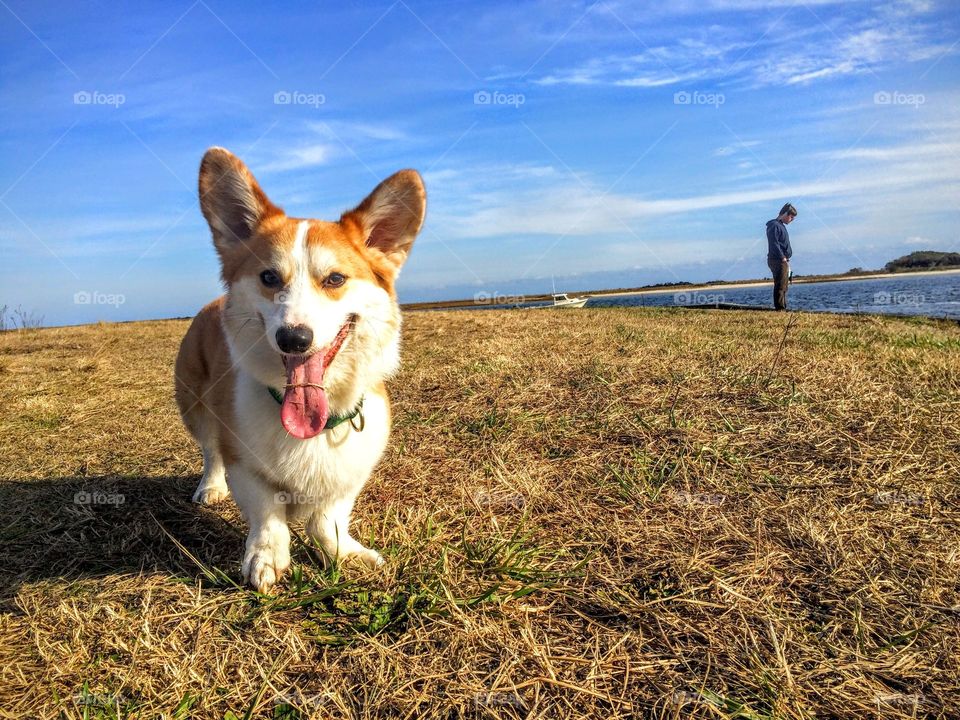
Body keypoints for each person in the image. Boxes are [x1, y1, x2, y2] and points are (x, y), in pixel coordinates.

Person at [766, 203, 797, 310]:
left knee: (784, 285)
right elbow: (774, 243)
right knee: (780, 285)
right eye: (791, 217)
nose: (792, 220)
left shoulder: (781, 226)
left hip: (783, 260)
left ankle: (782, 307)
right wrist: (782, 257)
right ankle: (780, 308)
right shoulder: (774, 225)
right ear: (784, 213)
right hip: (778, 259)